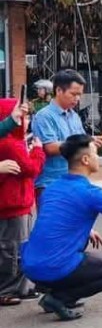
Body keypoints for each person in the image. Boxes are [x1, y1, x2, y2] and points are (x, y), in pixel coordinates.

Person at [21, 135, 102, 320]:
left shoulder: (52, 188)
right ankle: (58, 298)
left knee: (83, 249)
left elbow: (56, 220)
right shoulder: (89, 192)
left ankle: (52, 289)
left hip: (30, 265)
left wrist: (88, 230)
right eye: (94, 153)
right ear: (85, 160)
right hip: (53, 266)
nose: (97, 158)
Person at [0, 99, 44, 306]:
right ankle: (7, 289)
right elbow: (30, 168)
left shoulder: (15, 141)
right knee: (12, 250)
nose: (25, 121)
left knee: (20, 248)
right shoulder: (9, 143)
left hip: (21, 203)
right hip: (11, 205)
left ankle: (21, 286)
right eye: (21, 116)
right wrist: (38, 151)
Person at [31, 70, 90, 197]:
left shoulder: (74, 116)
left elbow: (83, 141)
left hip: (74, 179)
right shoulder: (44, 116)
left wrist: (92, 142)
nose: (77, 99)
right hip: (50, 183)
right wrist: (82, 142)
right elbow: (50, 148)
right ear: (58, 91)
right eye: (73, 94)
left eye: (79, 94)